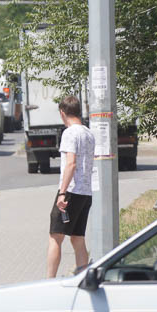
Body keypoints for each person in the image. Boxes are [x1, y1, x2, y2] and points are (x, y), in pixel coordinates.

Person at [47, 95, 95, 278]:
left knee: (55, 236)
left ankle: (48, 281)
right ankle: (83, 277)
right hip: (85, 193)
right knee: (77, 238)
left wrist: (62, 192)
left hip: (71, 191)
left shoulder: (69, 133)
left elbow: (71, 164)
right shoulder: (88, 133)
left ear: (63, 113)